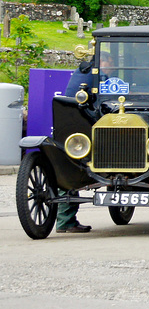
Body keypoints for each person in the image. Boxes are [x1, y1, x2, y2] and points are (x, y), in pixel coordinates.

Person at [57, 59, 95, 233]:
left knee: (68, 165)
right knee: (69, 164)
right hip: (82, 126)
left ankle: (65, 221)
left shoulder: (83, 70)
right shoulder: (95, 74)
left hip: (74, 127)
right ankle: (65, 220)